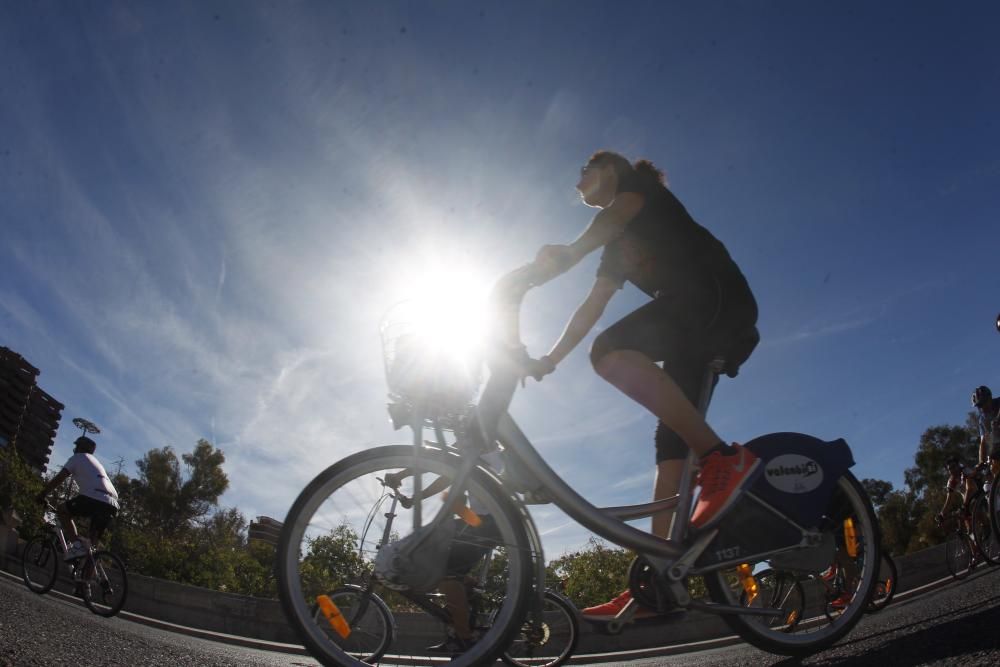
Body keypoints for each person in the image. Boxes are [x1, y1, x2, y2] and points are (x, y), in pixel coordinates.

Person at [526, 151, 759, 618]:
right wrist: (549, 358)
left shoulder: (639, 193)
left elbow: (613, 218)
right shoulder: (616, 247)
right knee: (670, 444)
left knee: (609, 351)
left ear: (609, 168)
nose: (577, 185)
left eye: (583, 172)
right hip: (688, 325)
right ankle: (658, 580)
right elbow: (593, 304)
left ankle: (723, 459)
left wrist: (566, 255)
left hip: (716, 301)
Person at [383, 454, 504, 654]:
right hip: (485, 521)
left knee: (445, 570)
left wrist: (401, 476)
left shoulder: (476, 442)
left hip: (488, 523)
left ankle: (464, 638)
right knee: (437, 545)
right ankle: (467, 591)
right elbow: (446, 474)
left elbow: (437, 462)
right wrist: (414, 496)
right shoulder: (483, 446)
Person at [36, 435, 120, 564]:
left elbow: (60, 477)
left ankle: (76, 545)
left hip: (95, 496)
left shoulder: (78, 458)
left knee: (62, 510)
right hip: (112, 502)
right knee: (92, 548)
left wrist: (42, 494)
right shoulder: (96, 463)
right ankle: (85, 582)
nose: (74, 449)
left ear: (80, 448)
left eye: (76, 447)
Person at [935, 455, 986, 535]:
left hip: (978, 493)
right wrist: (942, 514)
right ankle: (972, 540)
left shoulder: (965, 471)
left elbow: (970, 489)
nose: (952, 470)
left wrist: (964, 505)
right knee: (969, 530)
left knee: (972, 505)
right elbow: (949, 500)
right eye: (950, 469)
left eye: (954, 467)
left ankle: (986, 525)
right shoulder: (951, 481)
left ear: (958, 465)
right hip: (967, 500)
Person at [972, 386, 1000, 476]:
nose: (982, 408)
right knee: (994, 466)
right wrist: (981, 461)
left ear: (990, 398)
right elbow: (983, 442)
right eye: (979, 406)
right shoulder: (982, 420)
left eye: (983, 403)